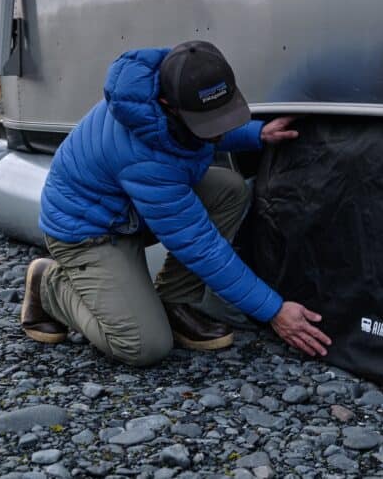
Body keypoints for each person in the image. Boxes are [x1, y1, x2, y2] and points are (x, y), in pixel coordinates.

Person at [19, 41, 332, 366]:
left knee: (230, 190)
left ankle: (175, 298)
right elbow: (201, 246)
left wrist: (257, 133)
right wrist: (274, 310)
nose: (216, 129)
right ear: (168, 104)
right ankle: (48, 286)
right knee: (143, 345)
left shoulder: (180, 82)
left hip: (128, 211)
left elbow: (199, 132)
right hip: (89, 234)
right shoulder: (143, 157)